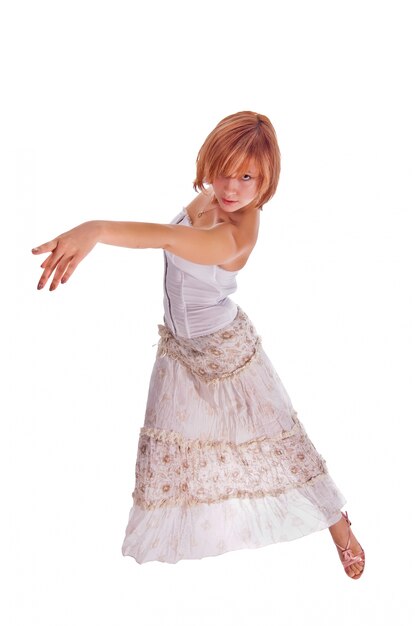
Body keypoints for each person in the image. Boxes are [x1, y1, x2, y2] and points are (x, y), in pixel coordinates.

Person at [32, 111, 365, 578]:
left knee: (282, 445)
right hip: (178, 350)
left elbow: (166, 237)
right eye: (223, 169)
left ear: (266, 179)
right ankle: (196, 532)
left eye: (247, 176)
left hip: (228, 355)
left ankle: (339, 527)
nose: (231, 186)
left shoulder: (233, 236)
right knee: (172, 449)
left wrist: (98, 229)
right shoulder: (214, 195)